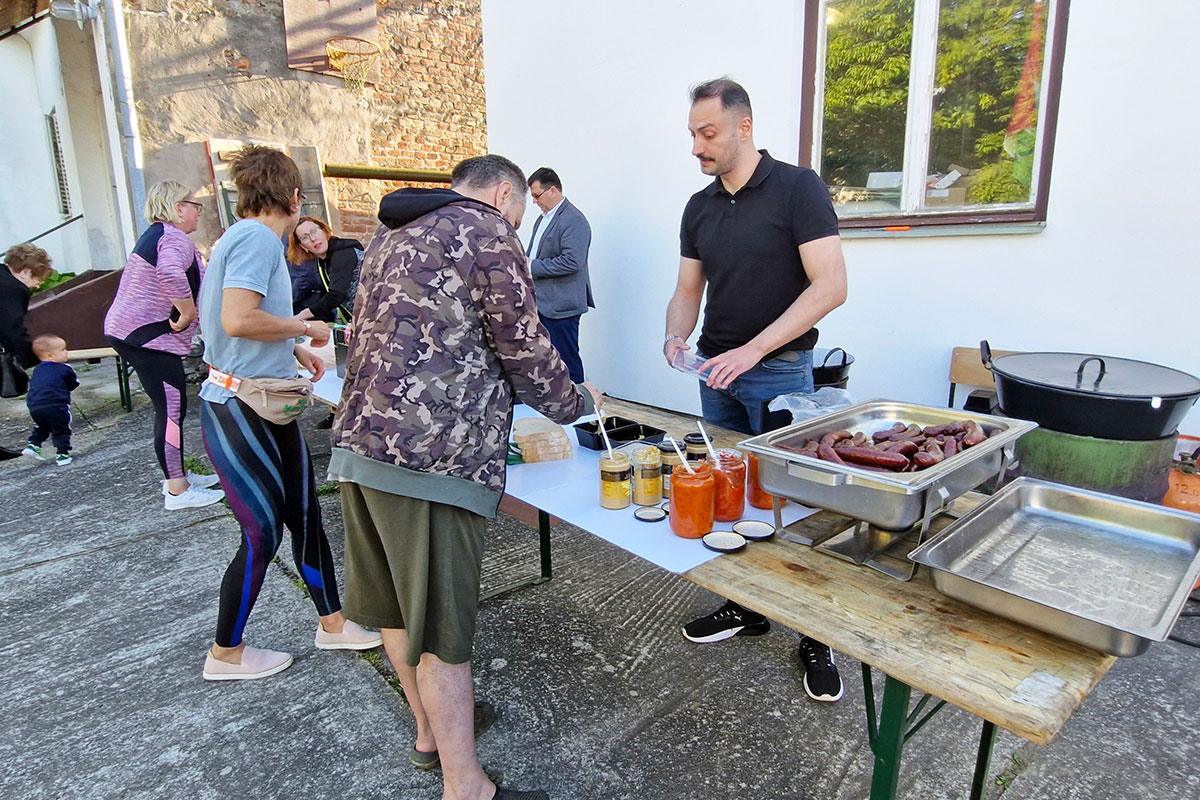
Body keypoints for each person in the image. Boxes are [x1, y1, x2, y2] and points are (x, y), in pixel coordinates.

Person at [330, 154, 602, 800]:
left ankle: (429, 734)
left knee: (395, 608)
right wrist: (577, 402)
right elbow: (524, 345)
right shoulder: (486, 229)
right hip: (431, 460)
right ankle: (466, 786)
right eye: (518, 213)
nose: (517, 224)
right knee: (443, 636)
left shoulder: (391, 232)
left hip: (360, 445)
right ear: (504, 193)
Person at [664, 78, 849, 703]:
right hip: (715, 375)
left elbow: (830, 285)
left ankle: (815, 636)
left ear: (744, 127)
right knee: (729, 497)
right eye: (693, 133)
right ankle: (744, 605)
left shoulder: (799, 188)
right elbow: (687, 290)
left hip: (779, 372)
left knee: (793, 506)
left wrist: (754, 349)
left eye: (708, 132)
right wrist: (676, 336)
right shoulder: (699, 206)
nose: (697, 146)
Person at [197, 145, 381, 681]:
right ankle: (225, 654)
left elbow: (238, 325)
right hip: (240, 406)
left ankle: (333, 624)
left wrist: (290, 349)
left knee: (304, 516)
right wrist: (305, 328)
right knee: (262, 534)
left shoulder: (242, 236)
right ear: (295, 196)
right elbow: (237, 319)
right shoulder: (257, 239)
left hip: (259, 399)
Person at [104, 180, 224, 510]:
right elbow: (170, 273)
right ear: (177, 207)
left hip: (135, 334)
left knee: (170, 409)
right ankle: (178, 491)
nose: (198, 212)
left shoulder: (160, 235)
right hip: (147, 339)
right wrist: (187, 312)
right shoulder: (171, 238)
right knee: (171, 410)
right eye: (194, 205)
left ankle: (178, 474)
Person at [525, 167, 593, 382]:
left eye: (537, 195)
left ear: (553, 190)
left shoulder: (574, 220)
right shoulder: (542, 219)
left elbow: (572, 261)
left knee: (567, 362)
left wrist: (532, 267)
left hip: (561, 306)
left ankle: (580, 403)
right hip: (541, 303)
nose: (534, 201)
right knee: (545, 361)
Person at [286, 215, 364, 324]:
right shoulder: (323, 260)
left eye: (314, 231)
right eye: (305, 237)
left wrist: (301, 315)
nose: (313, 239)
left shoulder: (342, 252)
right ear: (302, 246)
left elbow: (336, 296)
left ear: (325, 231)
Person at [21, 334, 78, 465]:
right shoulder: (65, 368)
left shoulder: (37, 370)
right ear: (50, 355)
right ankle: (62, 454)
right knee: (62, 428)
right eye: (63, 349)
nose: (66, 352)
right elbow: (73, 384)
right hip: (56, 405)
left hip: (34, 405)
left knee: (43, 426)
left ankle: (33, 445)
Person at [1, 243, 53, 371]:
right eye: (38, 279)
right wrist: (34, 358)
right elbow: (11, 328)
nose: (37, 286)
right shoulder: (12, 288)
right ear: (25, 272)